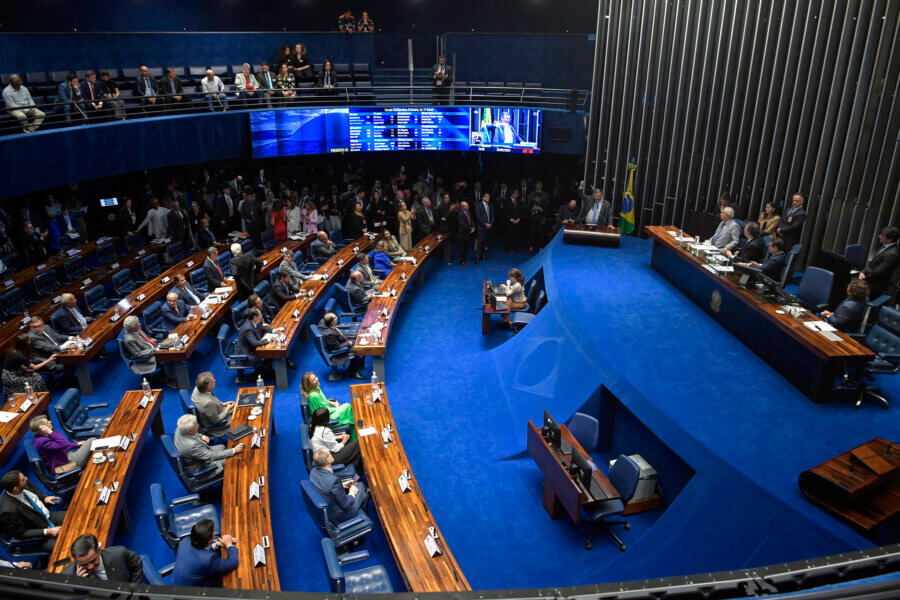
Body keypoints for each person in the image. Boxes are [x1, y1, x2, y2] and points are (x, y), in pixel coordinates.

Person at [0, 470, 64, 553]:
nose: (26, 478)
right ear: (16, 488)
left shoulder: (24, 484)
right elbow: (22, 533)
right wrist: (47, 531)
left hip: (49, 517)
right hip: (39, 534)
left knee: (79, 518)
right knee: (64, 547)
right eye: (23, 479)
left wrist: (44, 498)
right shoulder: (8, 511)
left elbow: (35, 491)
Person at [171, 519, 239, 587]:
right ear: (209, 541)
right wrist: (229, 544)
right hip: (192, 593)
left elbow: (198, 552)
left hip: (176, 586)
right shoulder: (208, 560)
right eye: (214, 531)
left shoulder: (185, 541)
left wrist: (217, 544)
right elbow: (233, 562)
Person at [174, 413, 244, 479]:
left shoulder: (180, 429)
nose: (198, 426)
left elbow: (190, 434)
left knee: (222, 447)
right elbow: (212, 456)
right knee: (233, 459)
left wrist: (200, 435)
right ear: (189, 431)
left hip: (197, 455)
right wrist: (233, 450)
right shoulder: (193, 446)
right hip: (201, 466)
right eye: (196, 425)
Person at [309, 449, 368, 523]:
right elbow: (346, 504)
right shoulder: (334, 481)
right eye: (330, 453)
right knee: (361, 485)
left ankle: (363, 506)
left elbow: (325, 486)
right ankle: (360, 516)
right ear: (328, 460)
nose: (331, 453)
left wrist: (342, 485)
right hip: (342, 514)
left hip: (330, 506)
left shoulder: (313, 471)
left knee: (364, 494)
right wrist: (352, 492)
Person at [61, 534, 142, 582]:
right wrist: (81, 584)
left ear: (99, 550)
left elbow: (137, 563)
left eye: (93, 560)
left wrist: (133, 590)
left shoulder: (118, 554)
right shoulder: (68, 577)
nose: (90, 566)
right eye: (84, 564)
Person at [301, 372, 355, 436]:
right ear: (309, 384)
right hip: (325, 419)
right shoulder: (314, 396)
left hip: (328, 411)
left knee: (348, 409)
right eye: (313, 380)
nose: (317, 379)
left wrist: (332, 403)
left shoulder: (316, 387)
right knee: (348, 407)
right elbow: (322, 413)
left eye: (315, 377)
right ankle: (355, 435)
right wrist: (337, 408)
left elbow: (323, 401)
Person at [309, 407, 362, 472]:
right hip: (328, 459)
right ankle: (357, 471)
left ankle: (355, 468)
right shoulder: (325, 431)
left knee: (353, 449)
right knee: (357, 444)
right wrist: (344, 440)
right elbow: (336, 449)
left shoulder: (312, 425)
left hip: (320, 456)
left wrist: (338, 437)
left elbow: (323, 439)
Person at [122, 315, 169, 386]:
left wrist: (150, 340)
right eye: (138, 323)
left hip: (151, 347)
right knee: (168, 355)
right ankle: (163, 374)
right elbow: (137, 354)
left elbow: (145, 338)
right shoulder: (129, 339)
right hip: (147, 355)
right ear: (132, 328)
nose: (140, 323)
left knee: (168, 348)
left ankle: (164, 372)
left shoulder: (137, 329)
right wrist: (153, 350)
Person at [317, 312, 365, 378]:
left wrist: (336, 330)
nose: (337, 318)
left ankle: (359, 365)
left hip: (339, 339)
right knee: (358, 348)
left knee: (360, 339)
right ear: (332, 323)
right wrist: (348, 343)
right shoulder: (330, 334)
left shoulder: (323, 322)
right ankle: (353, 372)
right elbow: (337, 347)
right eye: (335, 318)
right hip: (337, 349)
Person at [859, 226, 900, 299]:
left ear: (889, 240)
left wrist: (864, 273)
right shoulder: (885, 247)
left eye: (882, 236)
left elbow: (877, 273)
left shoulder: (892, 255)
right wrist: (863, 271)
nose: (879, 236)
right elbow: (871, 263)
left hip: (874, 285)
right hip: (868, 278)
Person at [190, 372, 234, 438]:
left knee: (239, 405)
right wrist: (228, 409)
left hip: (213, 410)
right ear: (207, 387)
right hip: (217, 424)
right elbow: (215, 421)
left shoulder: (197, 388)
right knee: (242, 418)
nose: (215, 381)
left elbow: (211, 399)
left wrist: (222, 404)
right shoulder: (208, 403)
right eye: (213, 381)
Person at [236, 308, 275, 379]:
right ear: (255, 318)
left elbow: (263, 328)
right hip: (246, 355)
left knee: (270, 358)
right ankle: (252, 377)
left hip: (251, 348)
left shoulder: (254, 321)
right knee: (267, 366)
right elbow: (255, 343)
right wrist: (268, 339)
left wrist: (274, 330)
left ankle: (261, 371)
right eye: (260, 314)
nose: (262, 315)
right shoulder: (248, 328)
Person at [475, 193, 494, 264]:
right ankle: (477, 257)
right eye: (486, 196)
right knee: (480, 242)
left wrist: (490, 223)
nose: (488, 198)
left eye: (489, 196)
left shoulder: (490, 205)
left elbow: (492, 215)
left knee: (485, 242)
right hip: (481, 227)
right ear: (482, 198)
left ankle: (482, 254)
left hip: (488, 227)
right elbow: (478, 216)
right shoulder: (478, 205)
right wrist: (485, 223)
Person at [456, 201, 475, 266]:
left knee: (466, 248)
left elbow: (471, 221)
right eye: (466, 206)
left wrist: (473, 227)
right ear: (462, 207)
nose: (468, 207)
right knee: (462, 248)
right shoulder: (460, 214)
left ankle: (464, 259)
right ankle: (461, 261)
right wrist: (471, 229)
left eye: (468, 205)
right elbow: (463, 225)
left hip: (467, 234)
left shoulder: (468, 212)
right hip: (462, 235)